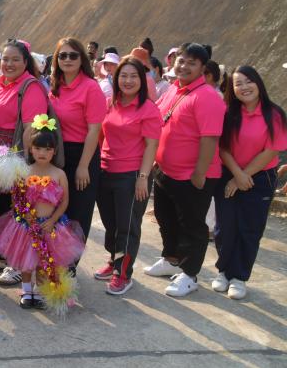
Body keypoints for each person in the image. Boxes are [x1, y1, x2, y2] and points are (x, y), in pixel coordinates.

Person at [144, 43, 226, 297]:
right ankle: (171, 260)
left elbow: (210, 139)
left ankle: (190, 274)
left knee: (192, 226)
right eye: (181, 60)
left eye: (192, 63)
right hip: (165, 170)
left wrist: (199, 174)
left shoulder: (207, 96)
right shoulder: (174, 89)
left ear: (203, 68)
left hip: (192, 176)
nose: (184, 66)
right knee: (165, 219)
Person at [0, 119, 84, 309]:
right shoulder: (24, 171)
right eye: (38, 148)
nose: (42, 153)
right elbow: (16, 198)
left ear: (54, 151)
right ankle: (27, 291)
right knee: (26, 262)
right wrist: (23, 214)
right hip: (26, 225)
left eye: (48, 149)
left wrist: (53, 220)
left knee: (43, 261)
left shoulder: (59, 174)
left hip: (49, 226)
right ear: (31, 149)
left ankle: (40, 291)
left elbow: (64, 201)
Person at [0, 39, 47, 287]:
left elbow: (31, 128)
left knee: (18, 210)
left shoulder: (31, 87)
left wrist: (24, 164)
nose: (9, 64)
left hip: (16, 155)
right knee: (0, 209)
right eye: (5, 59)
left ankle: (18, 263)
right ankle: (4, 254)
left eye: (15, 59)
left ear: (26, 62)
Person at [214, 66, 287, 299]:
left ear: (258, 83)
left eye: (248, 81)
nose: (244, 87)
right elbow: (222, 147)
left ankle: (238, 277)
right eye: (238, 83)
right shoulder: (228, 113)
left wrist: (243, 177)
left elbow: (271, 151)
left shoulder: (274, 114)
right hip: (230, 173)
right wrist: (237, 175)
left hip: (261, 177)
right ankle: (224, 271)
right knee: (224, 227)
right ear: (232, 89)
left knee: (249, 229)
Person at [95, 57, 162, 295]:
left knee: (127, 226)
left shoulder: (148, 109)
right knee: (110, 223)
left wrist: (143, 177)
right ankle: (114, 260)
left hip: (131, 175)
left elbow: (152, 145)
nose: (128, 80)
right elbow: (101, 134)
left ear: (142, 80)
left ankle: (122, 274)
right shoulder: (109, 103)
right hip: (105, 170)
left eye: (134, 76)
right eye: (123, 76)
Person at [48, 37, 105, 274]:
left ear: (82, 59)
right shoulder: (54, 86)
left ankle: (69, 270)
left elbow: (94, 130)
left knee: (78, 215)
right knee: (56, 211)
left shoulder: (91, 88)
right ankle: (54, 262)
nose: (68, 60)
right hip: (58, 156)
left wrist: (83, 166)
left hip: (83, 155)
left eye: (73, 55)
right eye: (63, 55)